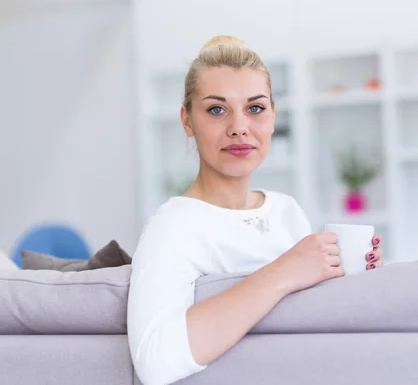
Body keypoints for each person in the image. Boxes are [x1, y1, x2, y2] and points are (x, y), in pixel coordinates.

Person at [127, 35, 385, 385]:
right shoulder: (173, 226)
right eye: (216, 109)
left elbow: (305, 321)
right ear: (187, 120)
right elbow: (155, 362)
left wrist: (351, 277)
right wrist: (284, 271)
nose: (239, 127)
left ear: (273, 118)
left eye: (255, 108)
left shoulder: (286, 211)